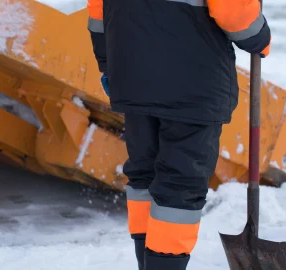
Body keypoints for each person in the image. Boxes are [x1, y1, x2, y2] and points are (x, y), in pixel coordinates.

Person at [86, 0, 271, 269]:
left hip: (130, 70)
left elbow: (98, 9)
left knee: (144, 174)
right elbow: (233, 11)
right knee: (180, 185)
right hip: (192, 81)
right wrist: (258, 36)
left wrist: (107, 60)